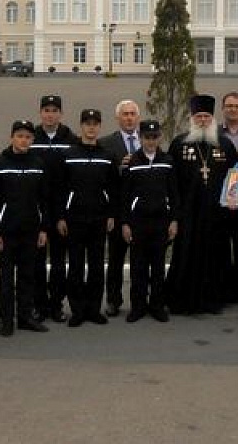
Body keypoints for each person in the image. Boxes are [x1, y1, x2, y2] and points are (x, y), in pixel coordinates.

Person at [165, 94, 238, 315]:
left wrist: (235, 199)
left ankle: (213, 298)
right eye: (199, 116)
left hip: (217, 213)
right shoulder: (179, 144)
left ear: (213, 118)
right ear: (192, 117)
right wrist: (174, 214)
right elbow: (172, 180)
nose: (203, 120)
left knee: (216, 254)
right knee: (186, 253)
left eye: (207, 116)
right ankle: (183, 299)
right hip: (188, 213)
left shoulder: (224, 144)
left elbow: (236, 176)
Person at [58, 108, 121, 327]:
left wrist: (111, 214)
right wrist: (61, 217)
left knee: (96, 267)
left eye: (95, 123)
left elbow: (114, 188)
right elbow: (61, 188)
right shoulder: (68, 155)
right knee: (75, 266)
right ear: (81, 126)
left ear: (99, 126)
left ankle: (93, 309)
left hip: (99, 219)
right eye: (87, 123)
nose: (91, 127)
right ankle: (77, 310)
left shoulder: (107, 155)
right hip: (74, 219)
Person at [0, 119, 51, 336]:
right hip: (6, 231)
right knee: (7, 278)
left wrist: (43, 229)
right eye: (20, 136)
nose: (23, 140)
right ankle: (6, 320)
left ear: (32, 140)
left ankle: (25, 317)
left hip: (31, 230)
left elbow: (44, 200)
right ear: (11, 137)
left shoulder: (38, 163)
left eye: (27, 137)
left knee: (27, 276)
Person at [120, 119, 179, 322]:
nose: (151, 141)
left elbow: (174, 194)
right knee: (138, 267)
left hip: (161, 222)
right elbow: (125, 195)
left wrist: (174, 220)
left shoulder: (168, 161)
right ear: (141, 138)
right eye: (147, 137)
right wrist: (125, 223)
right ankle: (138, 306)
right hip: (138, 223)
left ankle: (157, 305)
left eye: (154, 137)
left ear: (159, 138)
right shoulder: (132, 162)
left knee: (158, 267)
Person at [30, 94, 76, 322]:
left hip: (61, 209)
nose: (50, 114)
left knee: (59, 261)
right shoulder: (32, 137)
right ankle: (39, 304)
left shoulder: (70, 138)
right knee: (37, 260)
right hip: (37, 208)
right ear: (40, 113)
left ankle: (56, 303)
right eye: (46, 110)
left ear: (61, 114)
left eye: (54, 110)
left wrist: (63, 213)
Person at [97, 99, 141, 317]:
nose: (129, 118)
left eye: (133, 114)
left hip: (141, 211)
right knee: (115, 258)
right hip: (116, 209)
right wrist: (118, 167)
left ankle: (139, 300)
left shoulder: (149, 140)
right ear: (118, 118)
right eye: (125, 114)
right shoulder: (106, 143)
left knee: (139, 260)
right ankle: (113, 300)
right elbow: (100, 176)